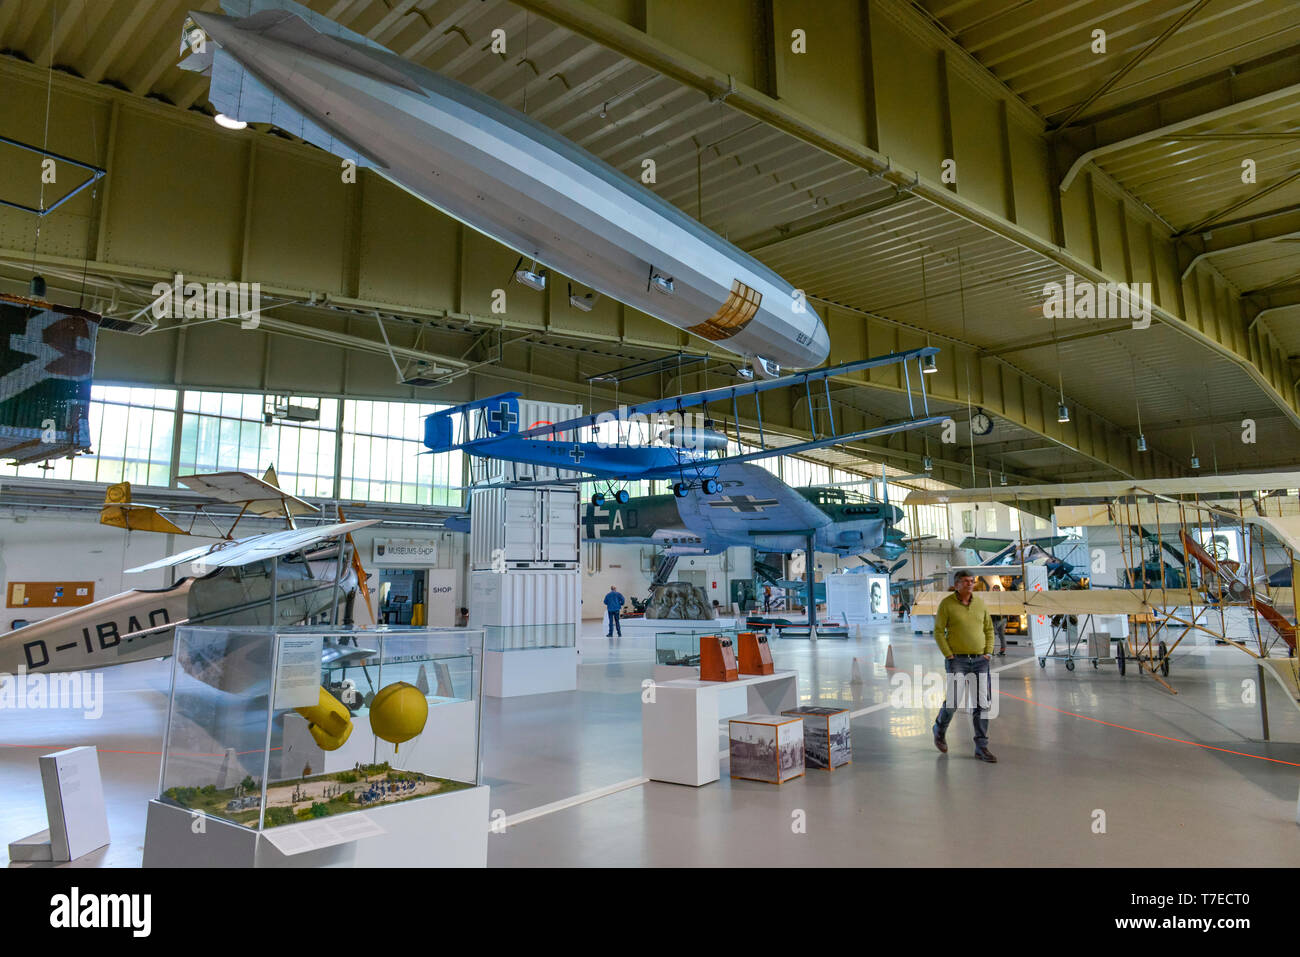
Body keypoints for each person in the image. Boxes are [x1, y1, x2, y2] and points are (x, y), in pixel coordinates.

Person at [932, 571, 997, 763]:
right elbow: (938, 631)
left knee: (982, 705)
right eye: (966, 581)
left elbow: (989, 629)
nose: (970, 584)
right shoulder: (947, 604)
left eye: (972, 581)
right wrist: (948, 654)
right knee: (953, 702)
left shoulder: (980, 604)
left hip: (980, 661)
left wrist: (988, 652)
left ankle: (981, 747)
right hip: (957, 661)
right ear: (957, 584)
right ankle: (939, 729)